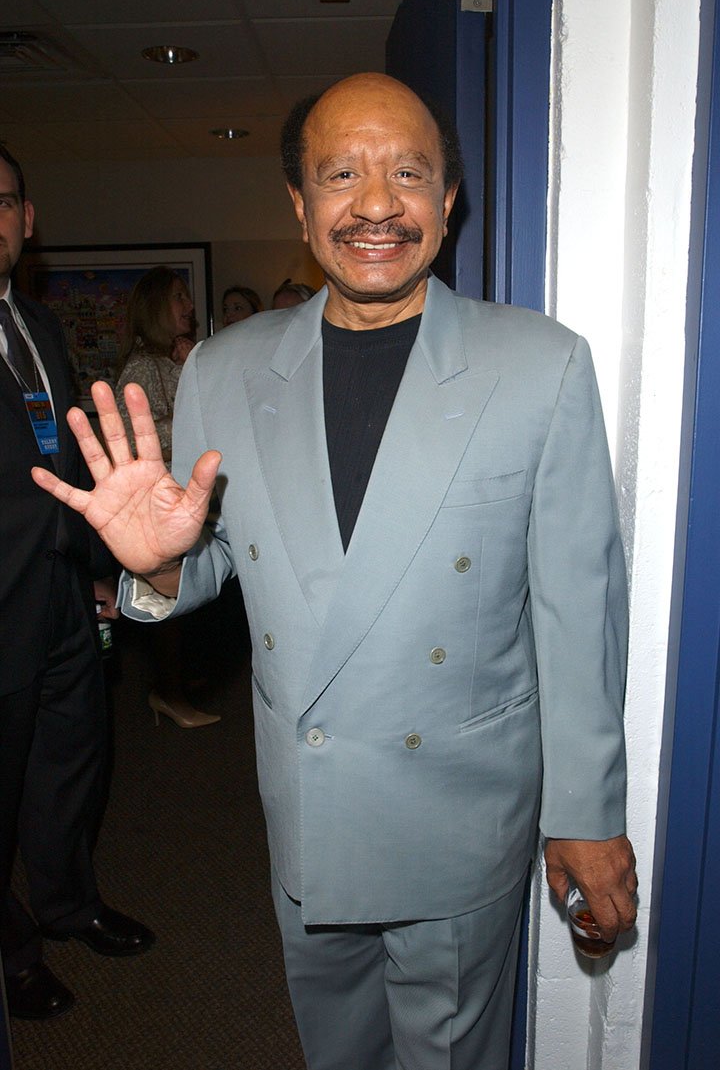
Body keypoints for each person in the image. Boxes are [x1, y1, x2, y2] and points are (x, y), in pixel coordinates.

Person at [33, 73, 637, 1069]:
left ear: (448, 202)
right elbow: (222, 554)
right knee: (335, 1045)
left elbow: (580, 606)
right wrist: (159, 565)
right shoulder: (227, 366)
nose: (375, 203)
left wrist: (587, 814)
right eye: (341, 174)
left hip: (458, 814)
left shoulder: (541, 365)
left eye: (408, 173)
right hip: (306, 809)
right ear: (301, 207)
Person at [0, 144, 153, 1022]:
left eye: (5, 199)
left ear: (29, 217)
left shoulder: (41, 324)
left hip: (64, 594)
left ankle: (67, 903)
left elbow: (69, 466)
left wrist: (97, 570)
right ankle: (15, 950)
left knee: (70, 766)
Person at [115, 267, 220, 729]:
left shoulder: (171, 360)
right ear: (157, 307)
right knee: (168, 607)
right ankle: (168, 693)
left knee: (189, 600)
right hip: (156, 510)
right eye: (179, 298)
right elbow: (136, 440)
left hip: (184, 503)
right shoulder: (142, 366)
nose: (190, 306)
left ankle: (176, 682)